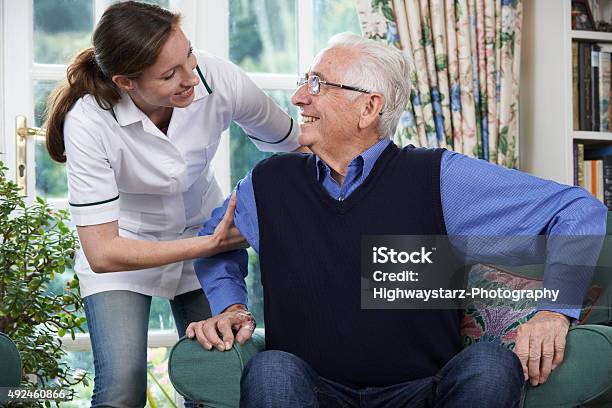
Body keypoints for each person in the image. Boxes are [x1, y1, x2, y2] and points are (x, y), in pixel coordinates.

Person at [188, 33, 607, 407]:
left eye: (317, 84)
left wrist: (554, 311)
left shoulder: (441, 177)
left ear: (368, 108)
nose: (298, 97)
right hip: (313, 389)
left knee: (492, 365)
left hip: (425, 390)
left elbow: (578, 210)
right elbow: (214, 238)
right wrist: (231, 305)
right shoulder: (270, 182)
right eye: (303, 81)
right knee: (271, 369)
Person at [44, 2, 301, 407]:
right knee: (120, 389)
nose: (191, 79)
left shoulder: (215, 77)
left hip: (202, 230)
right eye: (169, 75)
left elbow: (294, 148)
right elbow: (103, 252)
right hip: (125, 247)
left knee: (214, 380)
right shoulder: (89, 120)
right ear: (126, 82)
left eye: (189, 56)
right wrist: (210, 244)